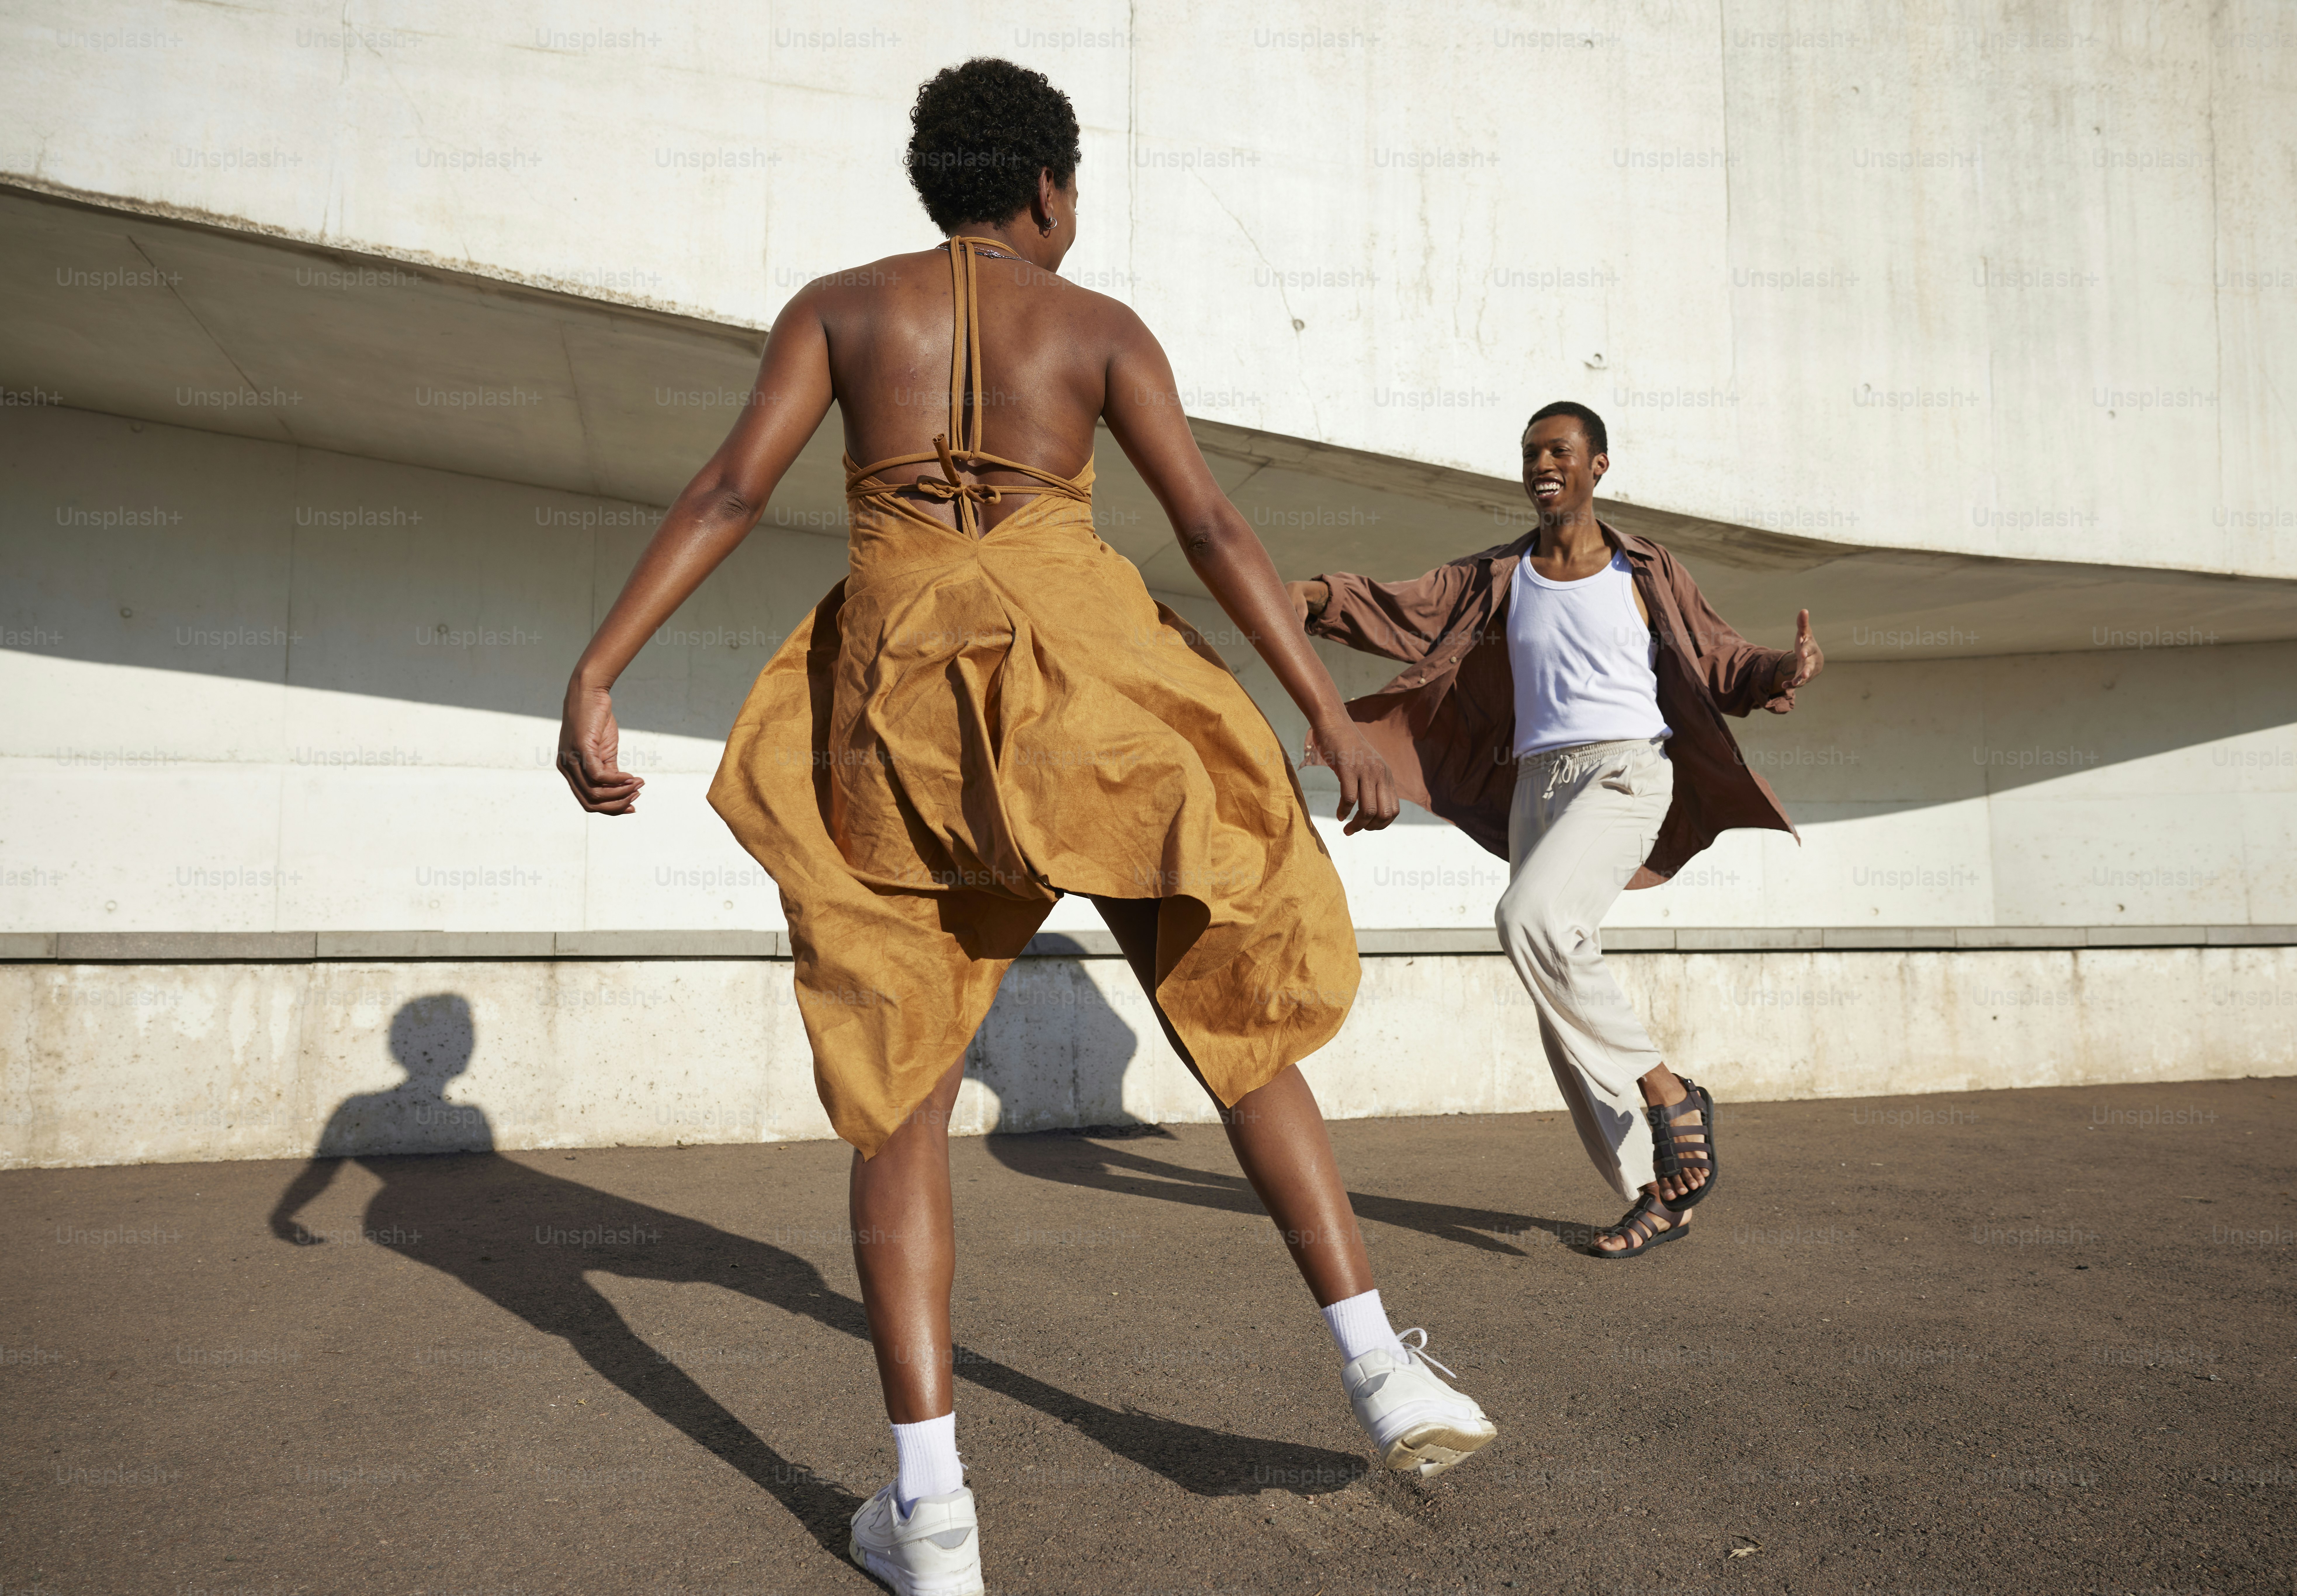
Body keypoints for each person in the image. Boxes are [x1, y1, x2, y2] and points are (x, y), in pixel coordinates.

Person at [554, 58, 1496, 1596]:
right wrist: (1327, 714)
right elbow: (1212, 525)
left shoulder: (840, 311)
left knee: (903, 1091)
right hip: (1095, 691)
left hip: (903, 708)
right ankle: (1382, 1368)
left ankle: (932, 1518)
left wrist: (599, 671)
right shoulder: (1097, 327)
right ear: (1050, 188)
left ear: (936, 182)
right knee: (1232, 1020)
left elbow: (728, 491)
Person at [1287, 402, 1825, 1261]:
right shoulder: (1503, 575)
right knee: (1557, 999)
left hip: (1626, 772)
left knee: (1530, 921)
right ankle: (1659, 1193)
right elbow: (1406, 608)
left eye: (1560, 452)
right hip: (1536, 788)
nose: (1543, 465)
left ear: (1597, 466)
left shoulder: (1644, 569)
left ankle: (1669, 1090)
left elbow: (1721, 655)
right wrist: (1313, 596)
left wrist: (1780, 670)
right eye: (1532, 453)